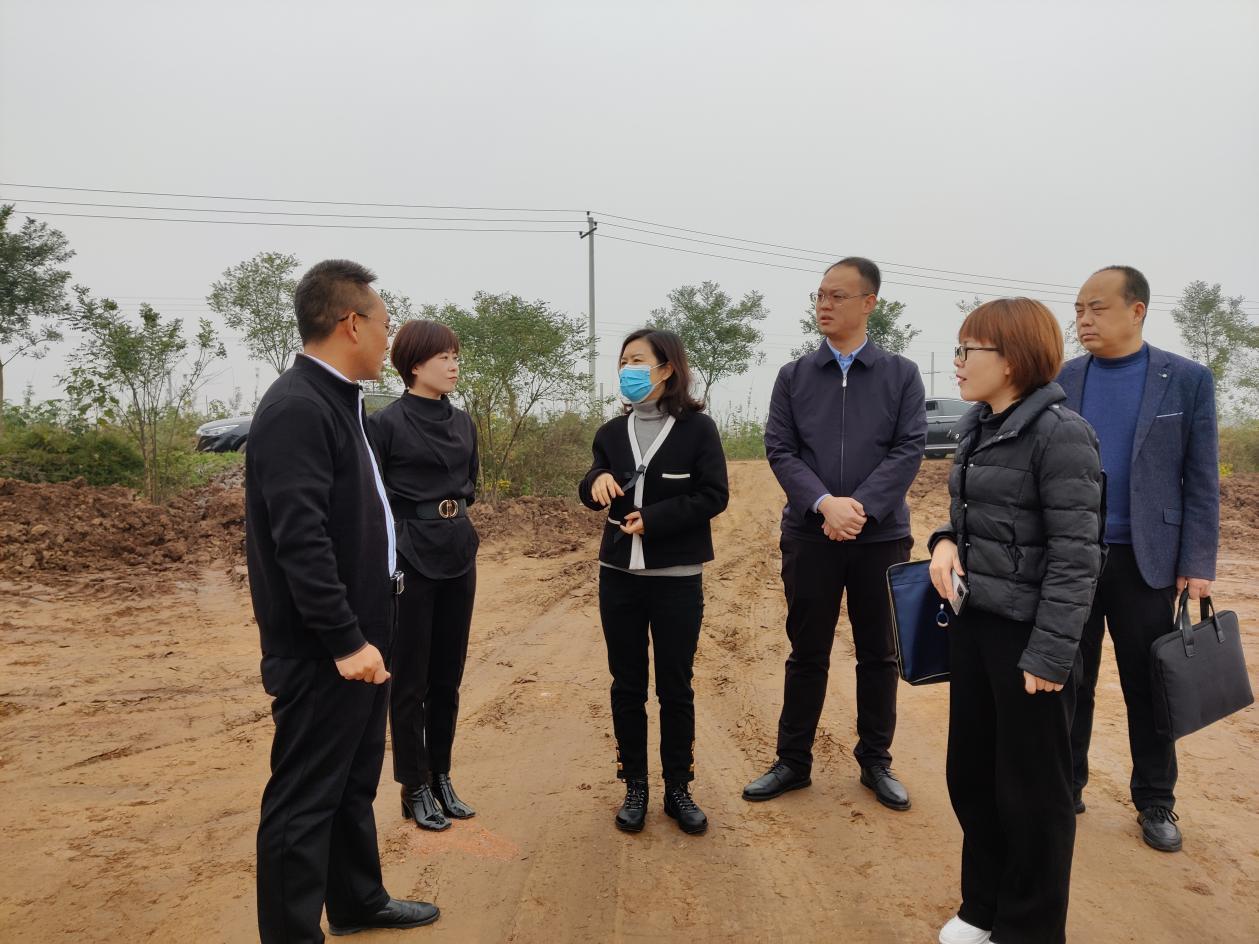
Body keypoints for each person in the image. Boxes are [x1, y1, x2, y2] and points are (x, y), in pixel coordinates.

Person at [247, 259, 439, 942]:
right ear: (350, 322)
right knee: (304, 801)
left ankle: (357, 900)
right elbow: (299, 541)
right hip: (324, 648)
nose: (389, 340)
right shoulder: (298, 407)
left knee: (352, 783)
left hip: (362, 632)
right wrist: (343, 640)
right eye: (384, 325)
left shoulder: (340, 401)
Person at [928, 298, 1103, 944]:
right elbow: (970, 515)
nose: (956, 364)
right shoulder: (978, 426)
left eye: (967, 351)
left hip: (1030, 639)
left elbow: (1076, 558)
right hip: (975, 628)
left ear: (1011, 359)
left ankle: (1028, 929)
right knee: (972, 777)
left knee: (1032, 797)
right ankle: (983, 908)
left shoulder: (1061, 435)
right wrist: (942, 543)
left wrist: (1049, 655)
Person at [746, 256, 926, 810]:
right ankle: (793, 760)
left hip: (881, 538)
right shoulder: (794, 376)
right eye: (819, 296)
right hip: (810, 535)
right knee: (807, 652)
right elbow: (780, 449)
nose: (824, 305)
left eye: (837, 296)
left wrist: (861, 508)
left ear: (869, 303)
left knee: (879, 654)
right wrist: (824, 504)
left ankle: (876, 760)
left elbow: (909, 448)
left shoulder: (901, 375)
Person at [1063, 265, 1219, 853]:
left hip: (1147, 561)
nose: (1083, 320)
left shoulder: (1186, 379)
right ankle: (1067, 783)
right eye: (1079, 309)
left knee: (1148, 686)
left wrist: (1197, 561)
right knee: (1066, 677)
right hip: (1072, 557)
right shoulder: (1062, 378)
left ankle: (1156, 800)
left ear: (1137, 310)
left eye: (1096, 308)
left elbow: (1201, 479)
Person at [578, 328, 729, 835]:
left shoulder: (698, 431)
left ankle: (679, 788)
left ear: (667, 369)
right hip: (618, 576)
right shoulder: (609, 432)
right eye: (623, 360)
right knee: (626, 684)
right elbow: (594, 478)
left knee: (675, 686)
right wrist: (594, 481)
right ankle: (635, 786)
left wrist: (657, 518)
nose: (627, 368)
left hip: (676, 580)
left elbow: (714, 496)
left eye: (637, 360)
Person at [367, 320, 480, 833]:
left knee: (447, 676)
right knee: (409, 678)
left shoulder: (464, 422)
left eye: (455, 355)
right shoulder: (385, 423)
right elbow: (376, 499)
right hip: (410, 555)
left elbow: (470, 483)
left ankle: (442, 775)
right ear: (414, 364)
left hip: (458, 549)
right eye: (443, 357)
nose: (453, 364)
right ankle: (413, 784)